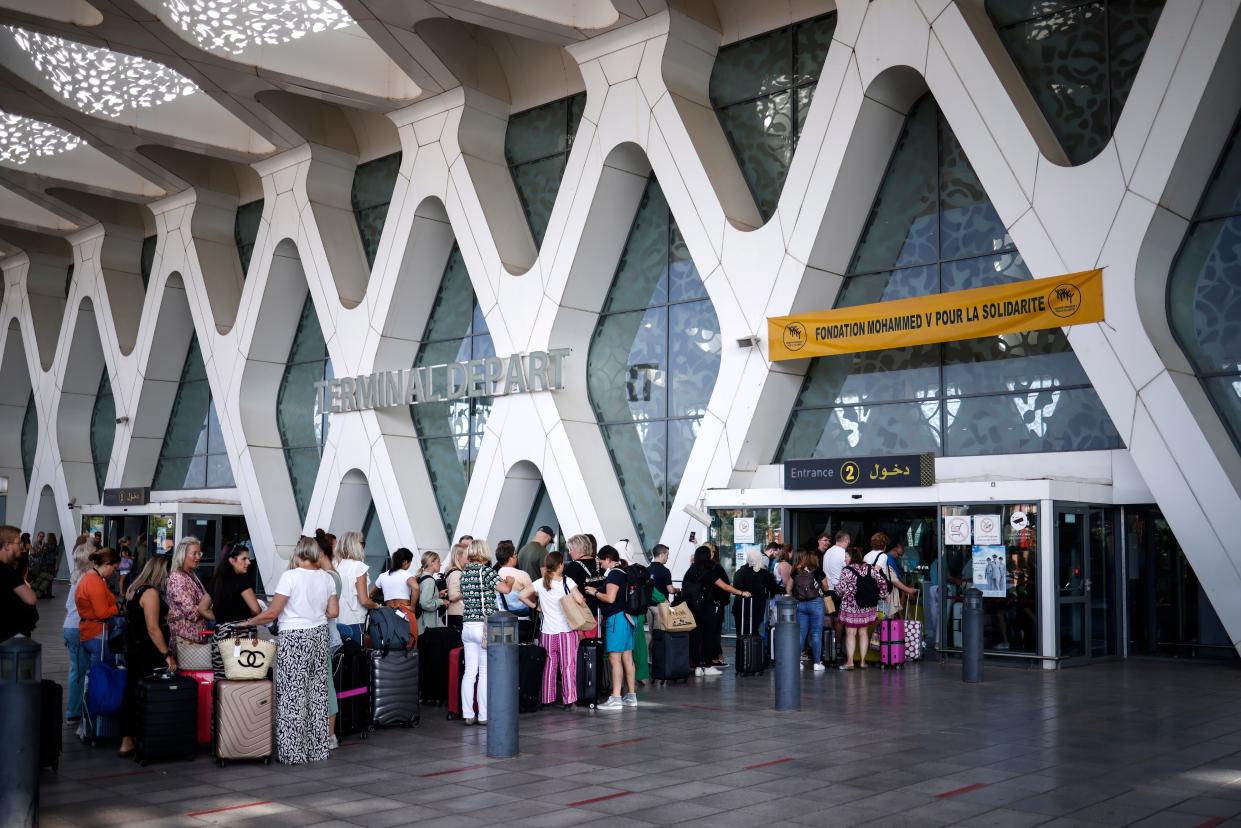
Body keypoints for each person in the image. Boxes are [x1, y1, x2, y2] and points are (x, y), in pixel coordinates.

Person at [241, 536, 338, 764]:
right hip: (319, 636)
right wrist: (314, 612)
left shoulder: (290, 577)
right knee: (317, 694)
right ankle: (317, 749)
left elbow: (273, 612)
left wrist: (249, 622)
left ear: (299, 553)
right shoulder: (327, 578)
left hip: (295, 637)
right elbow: (333, 611)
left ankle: (293, 752)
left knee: (292, 694)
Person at [117, 546, 177, 758]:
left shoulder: (134, 588)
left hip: (132, 648)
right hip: (146, 651)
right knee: (147, 692)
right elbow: (152, 627)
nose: (170, 578)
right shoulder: (150, 592)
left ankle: (127, 739)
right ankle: (143, 735)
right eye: (169, 573)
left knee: (131, 691)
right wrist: (166, 654)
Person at [458, 539, 515, 725]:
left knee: (469, 672)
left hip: (467, 626)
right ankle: (483, 715)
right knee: (484, 672)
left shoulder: (464, 574)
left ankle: (468, 714)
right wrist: (511, 581)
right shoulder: (487, 571)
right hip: (484, 626)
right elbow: (505, 589)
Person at [582, 545, 638, 709]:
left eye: (600, 560)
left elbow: (610, 598)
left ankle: (615, 697)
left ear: (607, 559)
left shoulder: (614, 574)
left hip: (617, 619)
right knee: (627, 657)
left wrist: (595, 593)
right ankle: (631, 695)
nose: (599, 563)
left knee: (615, 658)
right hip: (629, 618)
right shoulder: (625, 572)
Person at [681, 545, 749, 676]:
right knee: (708, 637)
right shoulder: (709, 572)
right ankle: (707, 665)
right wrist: (741, 592)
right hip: (708, 608)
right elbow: (725, 586)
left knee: (695, 637)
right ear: (708, 556)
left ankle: (696, 667)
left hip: (693, 608)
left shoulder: (690, 571)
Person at [534, 551, 586, 709]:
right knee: (568, 665)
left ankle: (547, 699)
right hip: (566, 630)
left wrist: (537, 607)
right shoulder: (567, 581)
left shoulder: (541, 582)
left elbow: (522, 594)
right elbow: (579, 599)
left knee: (549, 665)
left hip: (547, 632)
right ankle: (569, 700)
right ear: (560, 564)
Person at [208, 542, 262, 678]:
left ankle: (222, 700)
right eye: (244, 559)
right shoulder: (242, 581)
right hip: (240, 634)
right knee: (242, 676)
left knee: (222, 677)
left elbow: (202, 608)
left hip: (220, 634)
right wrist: (241, 617)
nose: (248, 562)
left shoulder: (216, 580)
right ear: (232, 560)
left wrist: (222, 618)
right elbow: (256, 609)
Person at [837, 547, 890, 670]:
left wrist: (839, 592)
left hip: (851, 606)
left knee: (850, 633)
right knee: (863, 632)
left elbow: (840, 589)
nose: (845, 560)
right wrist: (882, 595)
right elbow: (883, 583)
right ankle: (862, 662)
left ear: (851, 557)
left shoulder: (846, 570)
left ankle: (850, 662)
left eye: (846, 557)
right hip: (867, 605)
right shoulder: (870, 568)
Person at [166, 537, 214, 670]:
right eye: (194, 553)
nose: (198, 557)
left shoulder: (191, 574)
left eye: (200, 553)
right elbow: (191, 611)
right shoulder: (177, 577)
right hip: (185, 640)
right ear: (183, 554)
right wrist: (209, 608)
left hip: (196, 639)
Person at [76, 547, 121, 673]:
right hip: (97, 634)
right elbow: (102, 614)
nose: (114, 571)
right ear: (107, 565)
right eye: (114, 568)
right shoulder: (94, 582)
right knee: (100, 675)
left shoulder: (88, 577)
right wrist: (117, 608)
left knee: (92, 675)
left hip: (88, 632)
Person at [62, 543, 92, 723]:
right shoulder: (87, 579)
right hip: (78, 628)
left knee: (77, 669)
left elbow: (67, 605)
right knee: (79, 671)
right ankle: (74, 711)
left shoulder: (75, 578)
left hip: (69, 626)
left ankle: (75, 709)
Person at [786, 550, 830, 670]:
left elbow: (788, 588)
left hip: (800, 604)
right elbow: (826, 588)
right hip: (816, 603)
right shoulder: (818, 571)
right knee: (816, 633)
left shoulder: (795, 571)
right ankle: (817, 663)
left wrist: (795, 597)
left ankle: (797, 662)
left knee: (801, 634)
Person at [335, 531, 377, 644]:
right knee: (358, 659)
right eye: (362, 543)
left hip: (338, 621)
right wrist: (378, 606)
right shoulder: (359, 567)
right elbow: (364, 600)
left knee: (341, 659)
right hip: (355, 621)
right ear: (356, 546)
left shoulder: (336, 566)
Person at [863, 533, 918, 618]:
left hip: (869, 592)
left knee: (876, 620)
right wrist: (907, 590)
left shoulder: (866, 556)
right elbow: (891, 578)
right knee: (884, 620)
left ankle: (877, 630)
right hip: (881, 595)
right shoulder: (883, 556)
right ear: (884, 545)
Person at [0, 525, 38, 642]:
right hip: (10, 637)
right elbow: (31, 598)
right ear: (7, 545)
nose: (20, 547)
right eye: (18, 543)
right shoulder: (6, 571)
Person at [733, 549, 778, 646]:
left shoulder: (740, 572)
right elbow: (773, 588)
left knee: (741, 634)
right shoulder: (764, 574)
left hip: (741, 607)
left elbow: (735, 588)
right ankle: (754, 655)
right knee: (754, 632)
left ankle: (742, 656)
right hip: (756, 608)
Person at [495, 540, 537, 641]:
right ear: (510, 557)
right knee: (522, 652)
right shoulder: (522, 575)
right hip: (521, 621)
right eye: (515, 554)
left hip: (500, 620)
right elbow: (532, 598)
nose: (517, 556)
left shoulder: (494, 574)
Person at [414, 551, 446, 635]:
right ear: (431, 562)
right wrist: (442, 601)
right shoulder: (429, 580)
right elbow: (425, 603)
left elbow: (422, 597)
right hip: (426, 626)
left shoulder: (421, 576)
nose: (441, 564)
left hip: (420, 625)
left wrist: (438, 595)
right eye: (438, 561)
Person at [443, 543, 468, 631]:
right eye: (466, 555)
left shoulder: (452, 571)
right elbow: (453, 596)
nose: (469, 558)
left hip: (454, 613)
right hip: (457, 614)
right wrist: (469, 592)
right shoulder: (457, 573)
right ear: (458, 556)